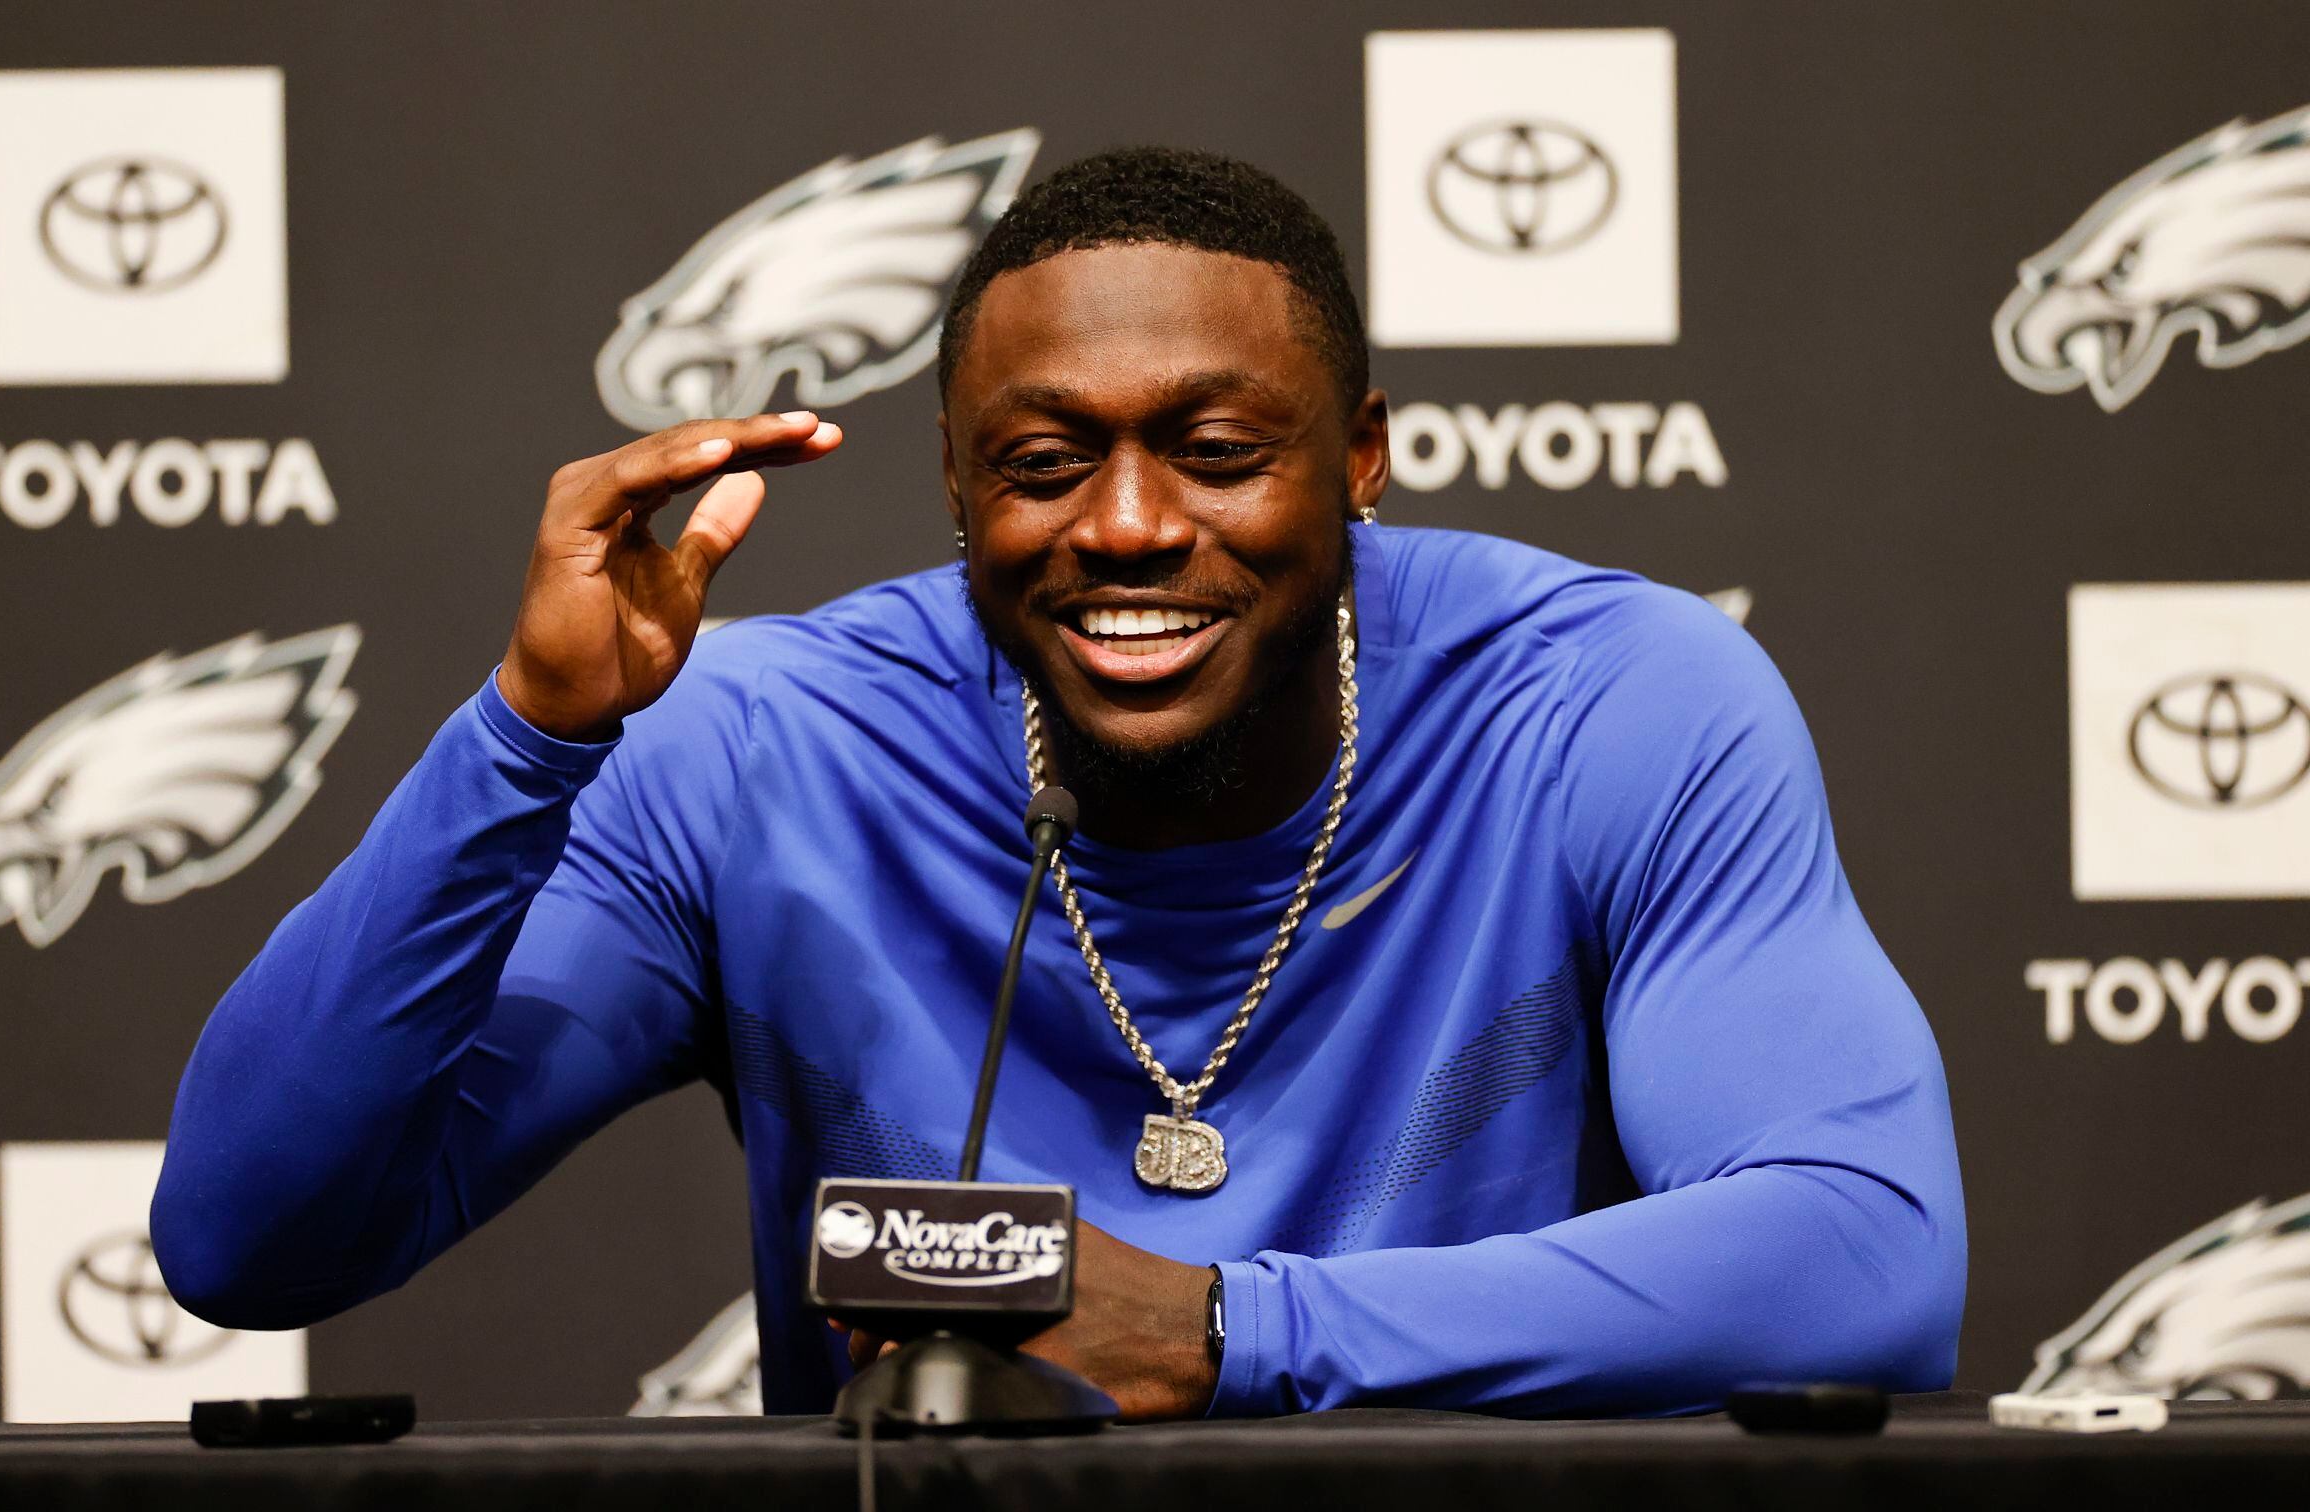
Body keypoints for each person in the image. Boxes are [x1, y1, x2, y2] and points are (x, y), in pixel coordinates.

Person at [151, 147, 1965, 1420]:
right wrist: (529, 738)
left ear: (1362, 458)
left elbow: (1862, 1261)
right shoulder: (753, 749)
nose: (1124, 526)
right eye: (1042, 462)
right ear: (953, 482)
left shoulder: (1608, 705)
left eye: (1216, 450)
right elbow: (248, 1236)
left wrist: (1224, 1333)